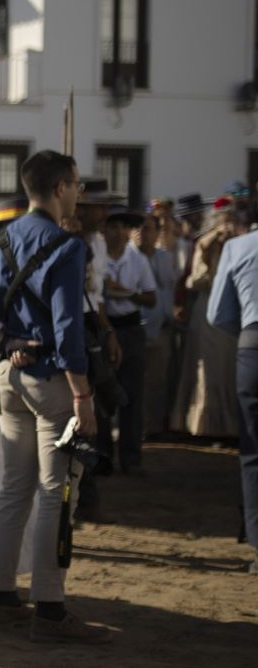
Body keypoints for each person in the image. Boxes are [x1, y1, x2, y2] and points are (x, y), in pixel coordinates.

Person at [0, 150, 111, 644]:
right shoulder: (67, 246)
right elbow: (67, 330)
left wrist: (2, 340)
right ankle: (51, 609)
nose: (78, 194)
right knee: (56, 493)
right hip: (53, 379)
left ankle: (4, 599)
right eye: (77, 185)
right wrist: (82, 394)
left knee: (15, 489)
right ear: (61, 187)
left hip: (10, 376)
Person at [171, 200, 246, 439]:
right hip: (208, 309)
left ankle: (229, 425)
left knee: (228, 368)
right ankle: (205, 425)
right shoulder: (204, 244)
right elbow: (194, 279)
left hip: (233, 310)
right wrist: (212, 243)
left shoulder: (241, 245)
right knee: (208, 369)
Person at [208, 222, 258, 570]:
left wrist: (246, 333)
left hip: (252, 349)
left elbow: (217, 314)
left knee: (253, 451)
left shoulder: (238, 247)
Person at [97, 208, 156, 473]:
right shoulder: (96, 257)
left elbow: (151, 298)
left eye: (123, 227)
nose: (119, 232)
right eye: (114, 226)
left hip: (131, 328)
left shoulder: (138, 260)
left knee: (133, 396)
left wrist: (127, 293)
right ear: (105, 230)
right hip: (104, 327)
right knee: (102, 394)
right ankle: (102, 456)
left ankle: (131, 458)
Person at [135, 213, 179, 437]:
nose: (141, 233)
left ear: (156, 233)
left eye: (147, 228)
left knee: (157, 382)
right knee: (133, 382)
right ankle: (132, 427)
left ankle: (153, 428)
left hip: (161, 328)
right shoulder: (128, 257)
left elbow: (171, 287)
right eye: (138, 228)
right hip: (135, 329)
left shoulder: (165, 257)